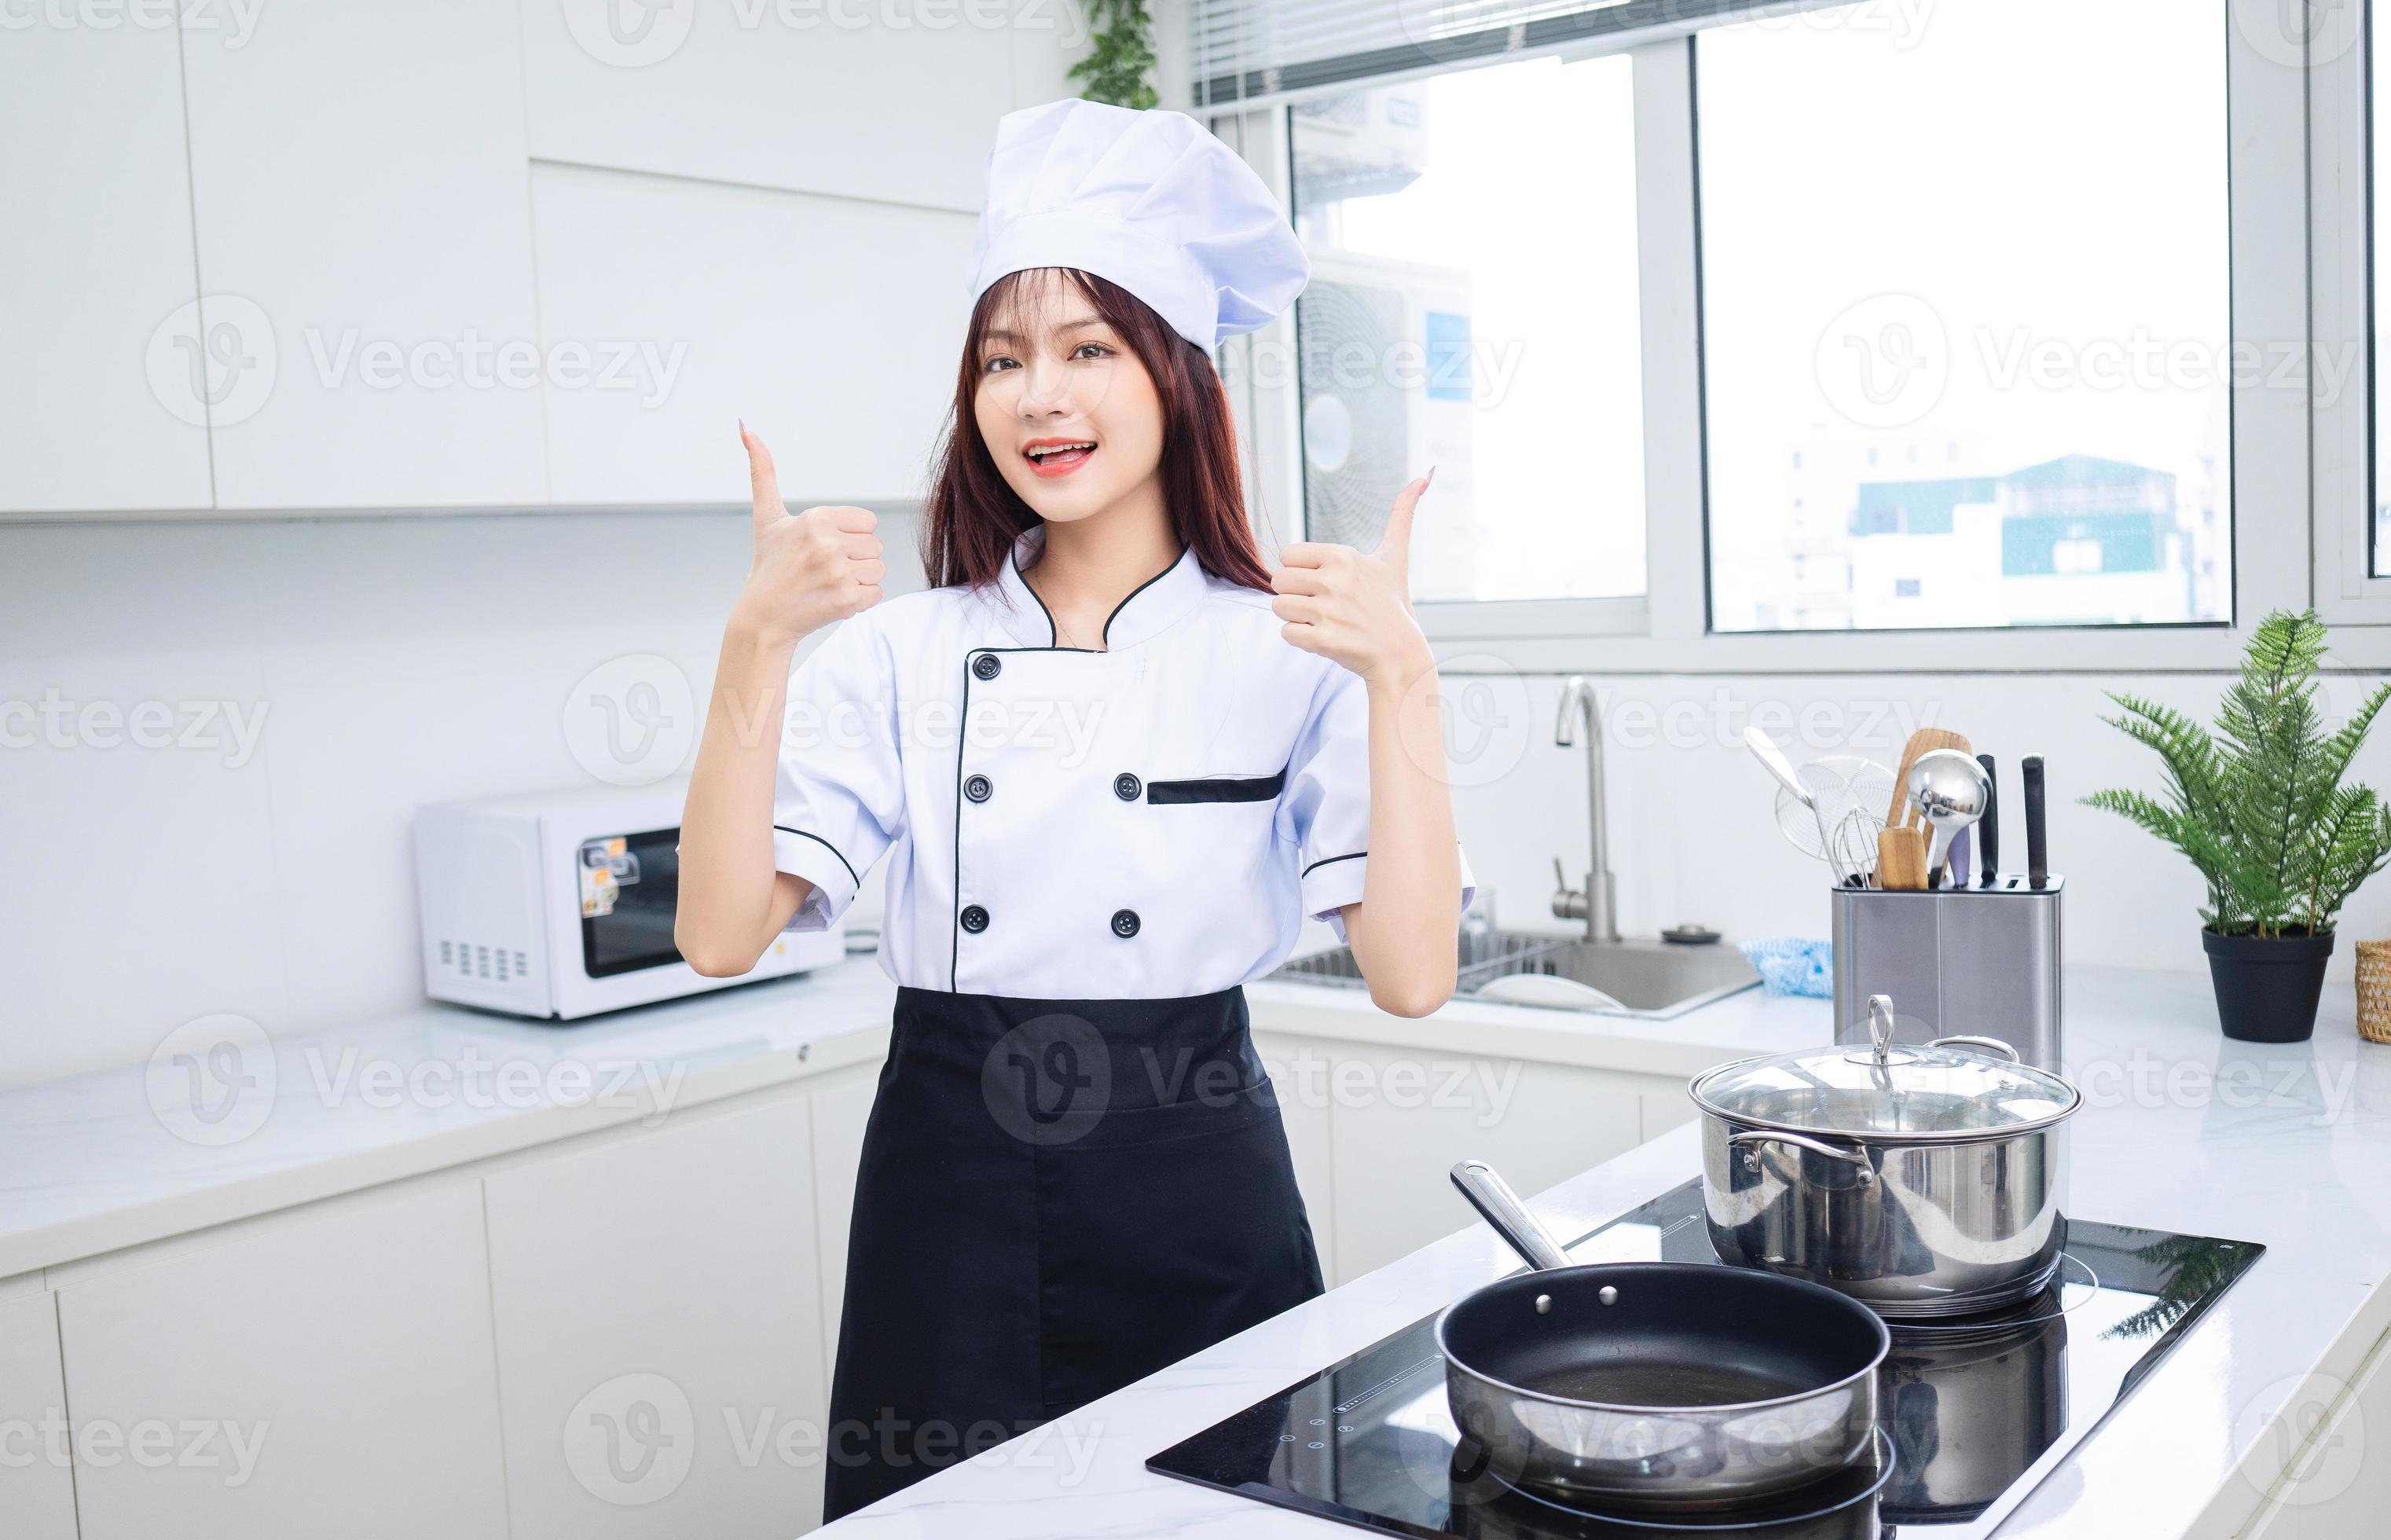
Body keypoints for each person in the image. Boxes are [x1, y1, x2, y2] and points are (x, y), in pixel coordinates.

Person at [674, 97, 1472, 1523]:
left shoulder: (1293, 643)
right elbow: (723, 932)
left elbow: (1412, 975)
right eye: (1002, 359)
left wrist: (1402, 676)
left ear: (1174, 375)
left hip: (1196, 1189)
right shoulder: (901, 652)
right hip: (948, 1198)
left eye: (1088, 348)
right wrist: (755, 645)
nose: (1037, 396)